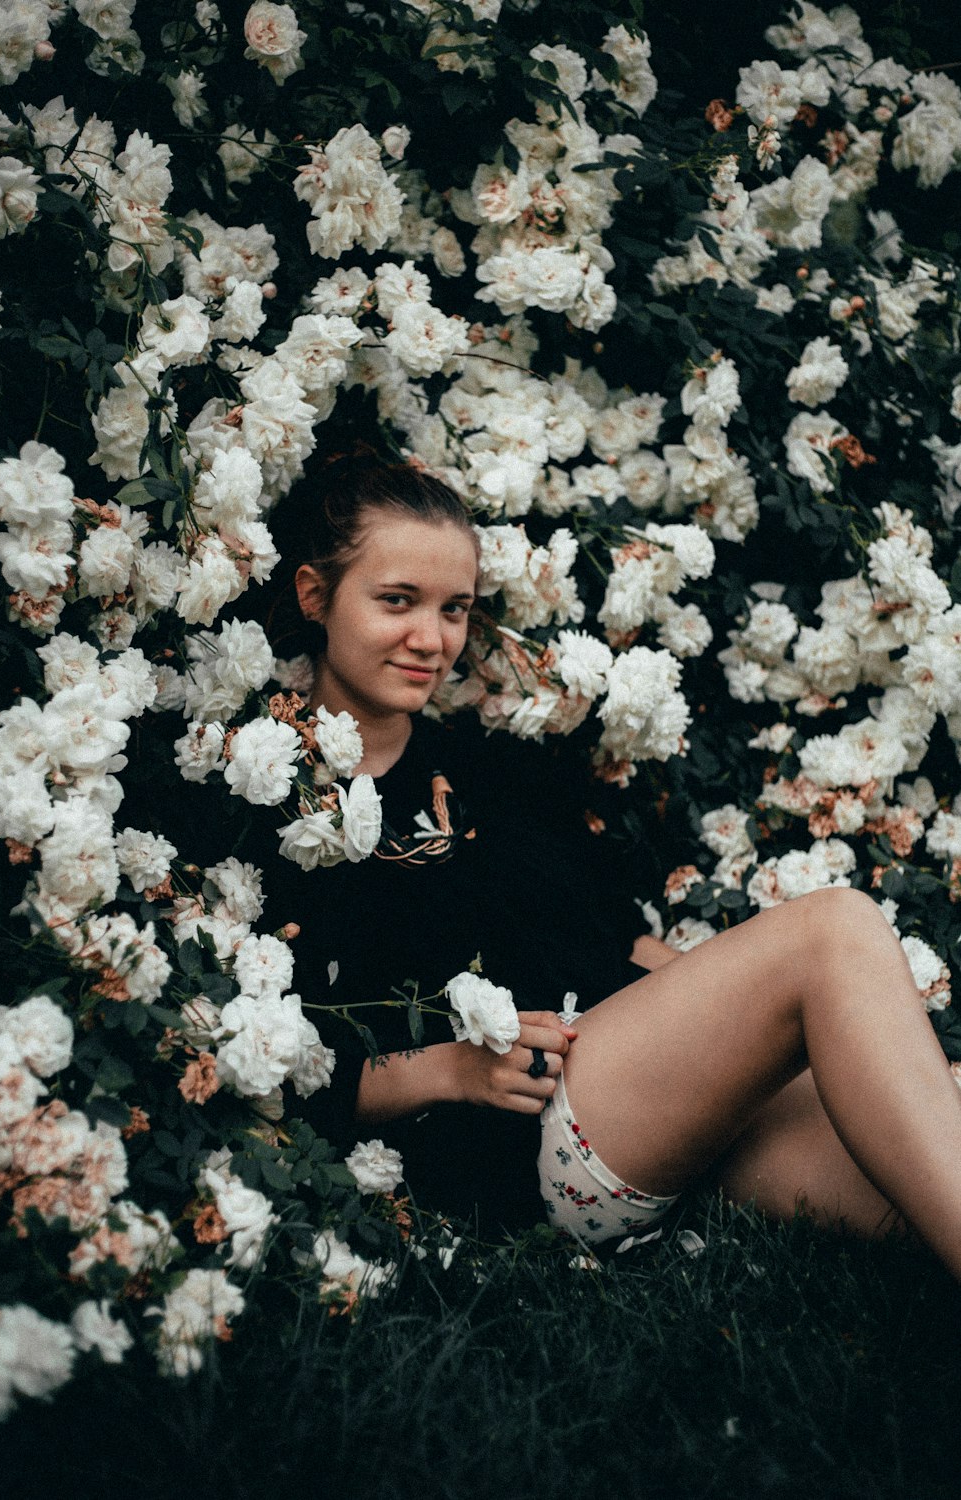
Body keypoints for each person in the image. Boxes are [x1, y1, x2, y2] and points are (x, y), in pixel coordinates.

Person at [257, 455, 961, 1273]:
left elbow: (617, 941)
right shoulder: (272, 802)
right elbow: (281, 1054)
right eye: (397, 601)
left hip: (652, 1106)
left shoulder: (491, 768)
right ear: (315, 596)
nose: (432, 639)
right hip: (524, 1135)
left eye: (455, 609)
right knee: (834, 930)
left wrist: (748, 1026)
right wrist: (447, 1067)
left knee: (934, 1108)